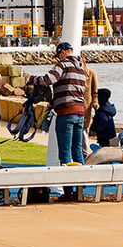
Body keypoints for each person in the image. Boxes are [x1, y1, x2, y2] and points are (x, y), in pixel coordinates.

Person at [28, 42, 88, 189]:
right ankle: (81, 185)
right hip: (80, 112)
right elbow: (75, 89)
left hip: (66, 112)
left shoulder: (63, 64)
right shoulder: (81, 68)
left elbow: (48, 80)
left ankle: (67, 189)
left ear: (62, 52)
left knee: (65, 151)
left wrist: (32, 79)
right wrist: (55, 101)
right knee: (77, 150)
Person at [83, 66, 99, 132]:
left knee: (84, 130)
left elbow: (95, 92)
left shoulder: (91, 74)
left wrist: (95, 102)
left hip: (86, 108)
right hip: (71, 109)